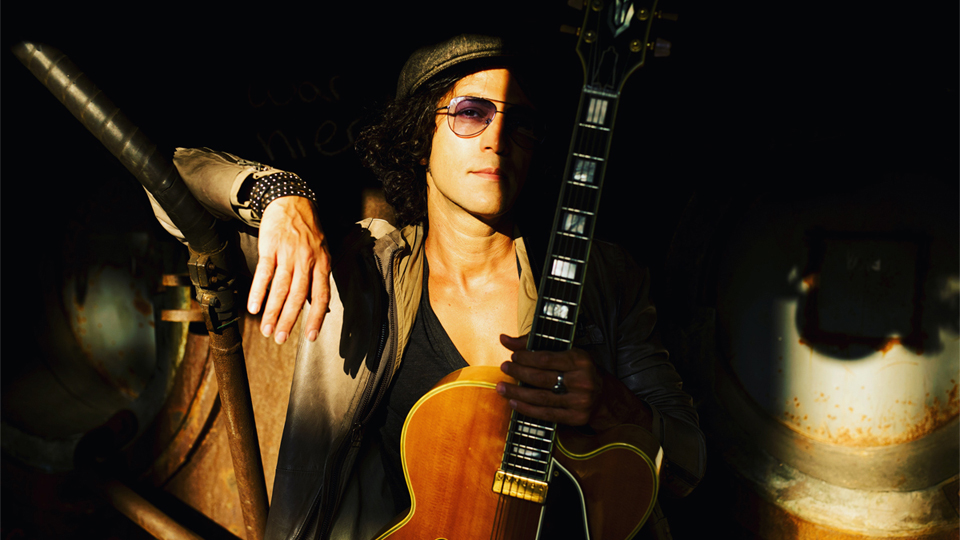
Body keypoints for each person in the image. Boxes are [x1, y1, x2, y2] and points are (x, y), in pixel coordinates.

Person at [155, 33, 704, 540]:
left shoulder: (602, 276)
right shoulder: (362, 272)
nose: (497, 140)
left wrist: (612, 404)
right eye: (471, 113)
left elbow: (690, 464)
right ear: (421, 138)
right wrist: (277, 195)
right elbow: (165, 174)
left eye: (519, 122)